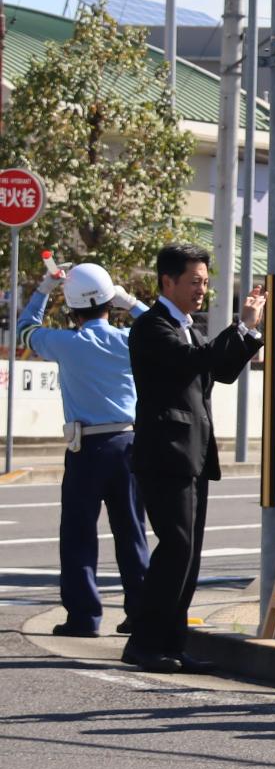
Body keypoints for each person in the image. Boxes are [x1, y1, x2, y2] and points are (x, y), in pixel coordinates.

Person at [124, 243, 265, 674]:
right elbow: (192, 361)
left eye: (205, 282)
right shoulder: (153, 326)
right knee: (177, 547)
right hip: (165, 454)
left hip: (193, 454)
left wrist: (248, 334)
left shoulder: (188, 325)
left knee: (188, 554)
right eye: (194, 282)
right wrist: (240, 326)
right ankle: (143, 643)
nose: (201, 289)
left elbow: (218, 371)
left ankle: (171, 643)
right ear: (168, 282)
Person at [17, 259, 151, 638]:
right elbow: (166, 329)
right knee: (132, 532)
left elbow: (26, 330)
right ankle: (139, 614)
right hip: (129, 443)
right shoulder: (130, 339)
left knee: (78, 533)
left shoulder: (66, 343)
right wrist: (132, 303)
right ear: (110, 302)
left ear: (72, 309)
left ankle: (84, 618)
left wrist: (44, 288)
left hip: (86, 447)